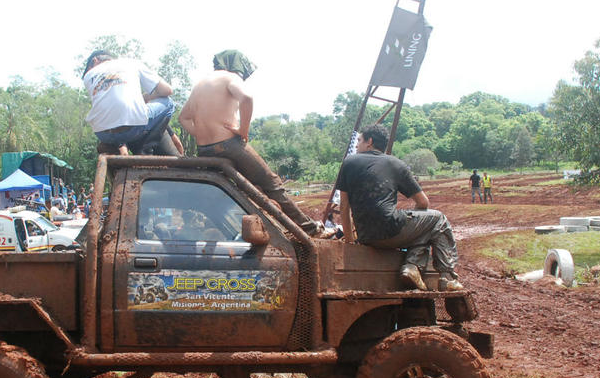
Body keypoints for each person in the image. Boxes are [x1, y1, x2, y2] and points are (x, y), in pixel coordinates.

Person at [179, 49, 332, 238]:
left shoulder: (200, 85)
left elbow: (183, 118)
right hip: (229, 145)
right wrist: (243, 130)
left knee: (240, 189)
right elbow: (247, 98)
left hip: (204, 150)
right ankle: (310, 229)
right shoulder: (230, 78)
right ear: (236, 66)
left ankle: (240, 232)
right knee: (271, 184)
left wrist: (202, 135)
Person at [337, 124, 464, 292]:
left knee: (423, 228)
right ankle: (444, 276)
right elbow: (423, 203)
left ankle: (412, 267)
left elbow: (344, 206)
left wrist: (349, 241)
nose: (356, 145)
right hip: (391, 228)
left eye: (359, 140)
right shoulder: (395, 164)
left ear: (370, 142)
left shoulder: (349, 162)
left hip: (366, 235)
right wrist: (415, 218)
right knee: (437, 220)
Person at [82, 49, 179, 156]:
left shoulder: (88, 76)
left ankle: (111, 145)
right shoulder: (132, 63)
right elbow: (168, 90)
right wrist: (148, 96)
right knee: (168, 102)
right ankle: (145, 148)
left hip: (102, 134)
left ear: (95, 60)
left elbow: (112, 106)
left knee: (120, 120)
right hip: (134, 129)